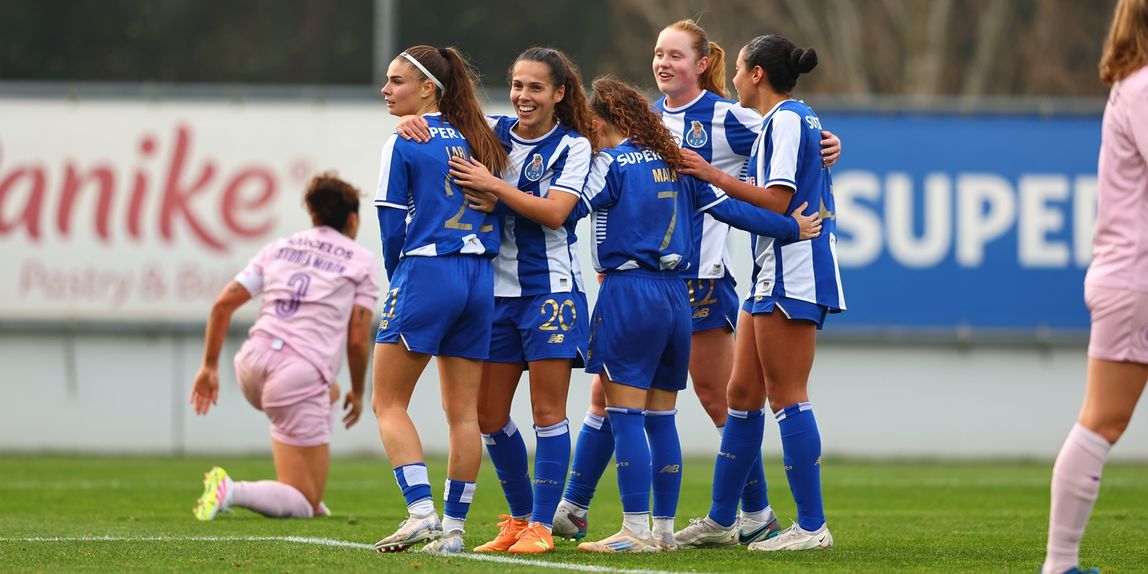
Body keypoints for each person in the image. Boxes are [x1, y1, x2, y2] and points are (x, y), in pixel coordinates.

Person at [553, 19, 842, 547]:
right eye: (658, 54)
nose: (662, 63)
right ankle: (573, 506)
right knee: (614, 392)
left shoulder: (732, 117)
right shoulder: (649, 123)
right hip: (653, 282)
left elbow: (792, 150)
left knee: (711, 397)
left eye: (675, 55)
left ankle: (749, 512)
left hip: (701, 279)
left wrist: (827, 145)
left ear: (703, 63)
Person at [394, 47, 596, 555]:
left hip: (551, 291)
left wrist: (492, 187)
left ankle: (544, 526)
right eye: (517, 85)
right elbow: (441, 126)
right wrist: (409, 126)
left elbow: (555, 214)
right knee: (487, 414)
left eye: (535, 88)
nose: (523, 96)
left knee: (548, 411)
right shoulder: (493, 132)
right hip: (493, 292)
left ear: (559, 94)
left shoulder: (574, 147)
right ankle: (520, 518)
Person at [671, 33, 845, 552]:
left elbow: (775, 203)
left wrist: (709, 179)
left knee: (786, 395)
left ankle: (812, 527)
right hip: (771, 270)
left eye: (739, 68)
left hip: (796, 269)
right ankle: (726, 520)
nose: (733, 79)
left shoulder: (788, 120)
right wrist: (710, 198)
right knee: (741, 397)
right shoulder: (786, 121)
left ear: (756, 75)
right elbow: (768, 208)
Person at [369, 44, 510, 555]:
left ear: (428, 87)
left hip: (428, 270)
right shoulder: (480, 136)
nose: (386, 90)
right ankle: (452, 531)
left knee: (387, 401)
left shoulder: (403, 142)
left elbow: (390, 224)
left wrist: (397, 276)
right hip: (478, 278)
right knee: (463, 414)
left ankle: (421, 512)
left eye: (396, 81)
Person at [189, 172, 378, 521]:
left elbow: (221, 306)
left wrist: (209, 367)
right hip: (295, 376)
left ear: (314, 215)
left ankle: (302, 486)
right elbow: (357, 339)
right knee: (304, 502)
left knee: (327, 391)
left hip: (250, 363)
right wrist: (357, 389)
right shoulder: (360, 261)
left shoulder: (279, 247)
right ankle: (231, 490)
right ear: (353, 220)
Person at [1042, 1, 1148, 572]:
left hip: (1128, 276)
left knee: (1102, 420)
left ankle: (1060, 564)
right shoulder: (1144, 86)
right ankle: (1059, 565)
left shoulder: (1133, 84)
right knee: (1103, 420)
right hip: (1137, 277)